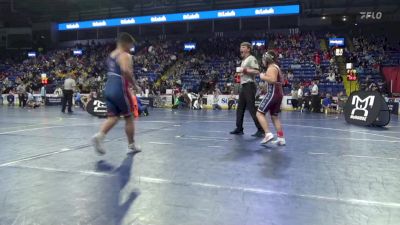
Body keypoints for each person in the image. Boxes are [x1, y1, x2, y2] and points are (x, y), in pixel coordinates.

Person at [92, 32, 141, 154]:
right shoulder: (125, 55)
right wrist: (134, 85)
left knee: (113, 117)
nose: (131, 48)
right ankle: (131, 145)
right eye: (131, 45)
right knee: (129, 117)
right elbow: (125, 71)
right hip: (120, 88)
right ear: (125, 43)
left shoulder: (111, 55)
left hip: (108, 87)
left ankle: (99, 136)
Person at [230, 42, 264, 137]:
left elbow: (257, 71)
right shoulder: (244, 60)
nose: (241, 48)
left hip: (249, 85)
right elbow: (245, 72)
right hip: (244, 85)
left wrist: (244, 70)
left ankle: (261, 130)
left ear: (248, 49)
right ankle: (239, 128)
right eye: (240, 46)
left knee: (252, 108)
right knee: (240, 108)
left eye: (243, 47)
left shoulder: (251, 58)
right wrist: (240, 74)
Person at [256, 50, 286, 146]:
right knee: (274, 116)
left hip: (273, 93)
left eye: (263, 59)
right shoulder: (276, 67)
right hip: (279, 93)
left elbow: (272, 80)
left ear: (267, 59)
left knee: (259, 113)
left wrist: (262, 76)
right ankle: (281, 138)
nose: (263, 62)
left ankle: (267, 133)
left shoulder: (271, 67)